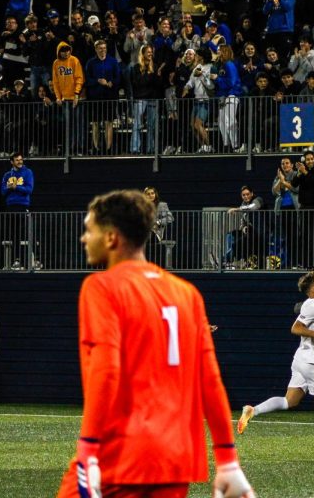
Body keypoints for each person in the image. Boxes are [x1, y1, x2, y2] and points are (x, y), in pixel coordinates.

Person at [56, 189, 255, 498]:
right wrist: (228, 460)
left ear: (111, 238)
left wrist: (87, 450)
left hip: (119, 455)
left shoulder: (101, 287)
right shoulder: (187, 293)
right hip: (174, 460)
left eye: (89, 229)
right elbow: (210, 381)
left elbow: (106, 370)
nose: (84, 238)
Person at [235, 270, 314, 456]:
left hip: (301, 359)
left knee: (289, 401)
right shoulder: (313, 305)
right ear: (313, 289)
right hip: (312, 361)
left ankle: (253, 410)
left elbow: (307, 325)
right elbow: (296, 328)